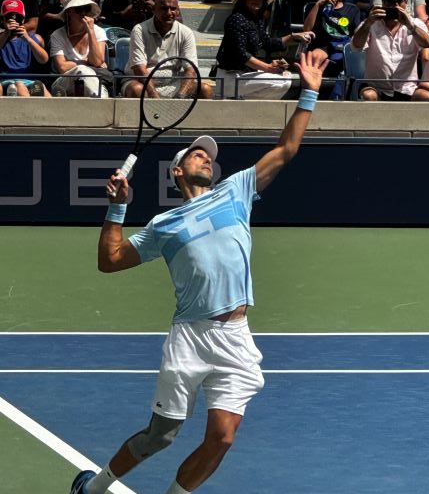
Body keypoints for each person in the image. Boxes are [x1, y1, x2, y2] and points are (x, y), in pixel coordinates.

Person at [68, 46, 329, 494]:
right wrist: (117, 208)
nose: (207, 158)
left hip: (236, 336)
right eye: (197, 155)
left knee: (222, 437)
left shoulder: (236, 191)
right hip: (190, 337)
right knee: (160, 436)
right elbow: (109, 262)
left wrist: (309, 93)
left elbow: (286, 149)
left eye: (209, 156)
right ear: (177, 171)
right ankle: (92, 489)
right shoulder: (164, 225)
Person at [216, 0, 314, 99]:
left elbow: (268, 43)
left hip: (246, 75)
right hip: (230, 77)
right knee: (283, 81)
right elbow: (241, 54)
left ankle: (245, 102)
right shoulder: (236, 19)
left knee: (286, 76)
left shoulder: (258, 20)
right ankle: (240, 100)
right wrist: (268, 67)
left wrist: (293, 36)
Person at [122, 0, 212, 99]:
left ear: (178, 11)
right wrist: (155, 96)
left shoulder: (186, 32)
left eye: (173, 8)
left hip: (173, 83)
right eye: (164, 8)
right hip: (141, 82)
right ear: (154, 10)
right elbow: (139, 69)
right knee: (136, 89)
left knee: (205, 89)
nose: (169, 13)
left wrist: (180, 95)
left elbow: (191, 69)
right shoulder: (139, 30)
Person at [351, 0, 429, 100]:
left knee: (426, 97)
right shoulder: (370, 23)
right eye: (389, 1)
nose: (393, 5)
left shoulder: (415, 23)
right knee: (368, 95)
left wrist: (410, 26)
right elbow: (356, 46)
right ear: (383, 2)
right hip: (376, 87)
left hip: (407, 88)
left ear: (406, 3)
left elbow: (427, 43)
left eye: (398, 1)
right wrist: (368, 23)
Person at [304, 0, 361, 88]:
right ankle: (311, 88)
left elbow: (356, 34)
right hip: (322, 45)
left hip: (343, 45)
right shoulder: (314, 6)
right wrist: (318, 5)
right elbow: (306, 29)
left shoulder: (353, 9)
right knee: (315, 56)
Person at [50, 0, 110, 97]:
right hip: (64, 81)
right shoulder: (57, 35)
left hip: (93, 81)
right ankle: (100, 101)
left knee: (87, 76)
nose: (83, 13)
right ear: (69, 12)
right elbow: (62, 67)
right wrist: (87, 62)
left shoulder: (98, 31)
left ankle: (99, 99)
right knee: (82, 70)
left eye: (86, 9)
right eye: (78, 9)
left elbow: (96, 61)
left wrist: (91, 31)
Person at [0, 0, 50, 96]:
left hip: (28, 80)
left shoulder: (32, 37)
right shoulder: (1, 37)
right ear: (2, 19)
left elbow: (44, 60)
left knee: (42, 88)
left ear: (23, 19)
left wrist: (27, 39)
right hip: (4, 80)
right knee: (20, 86)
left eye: (17, 17)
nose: (13, 21)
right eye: (9, 17)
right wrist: (6, 33)